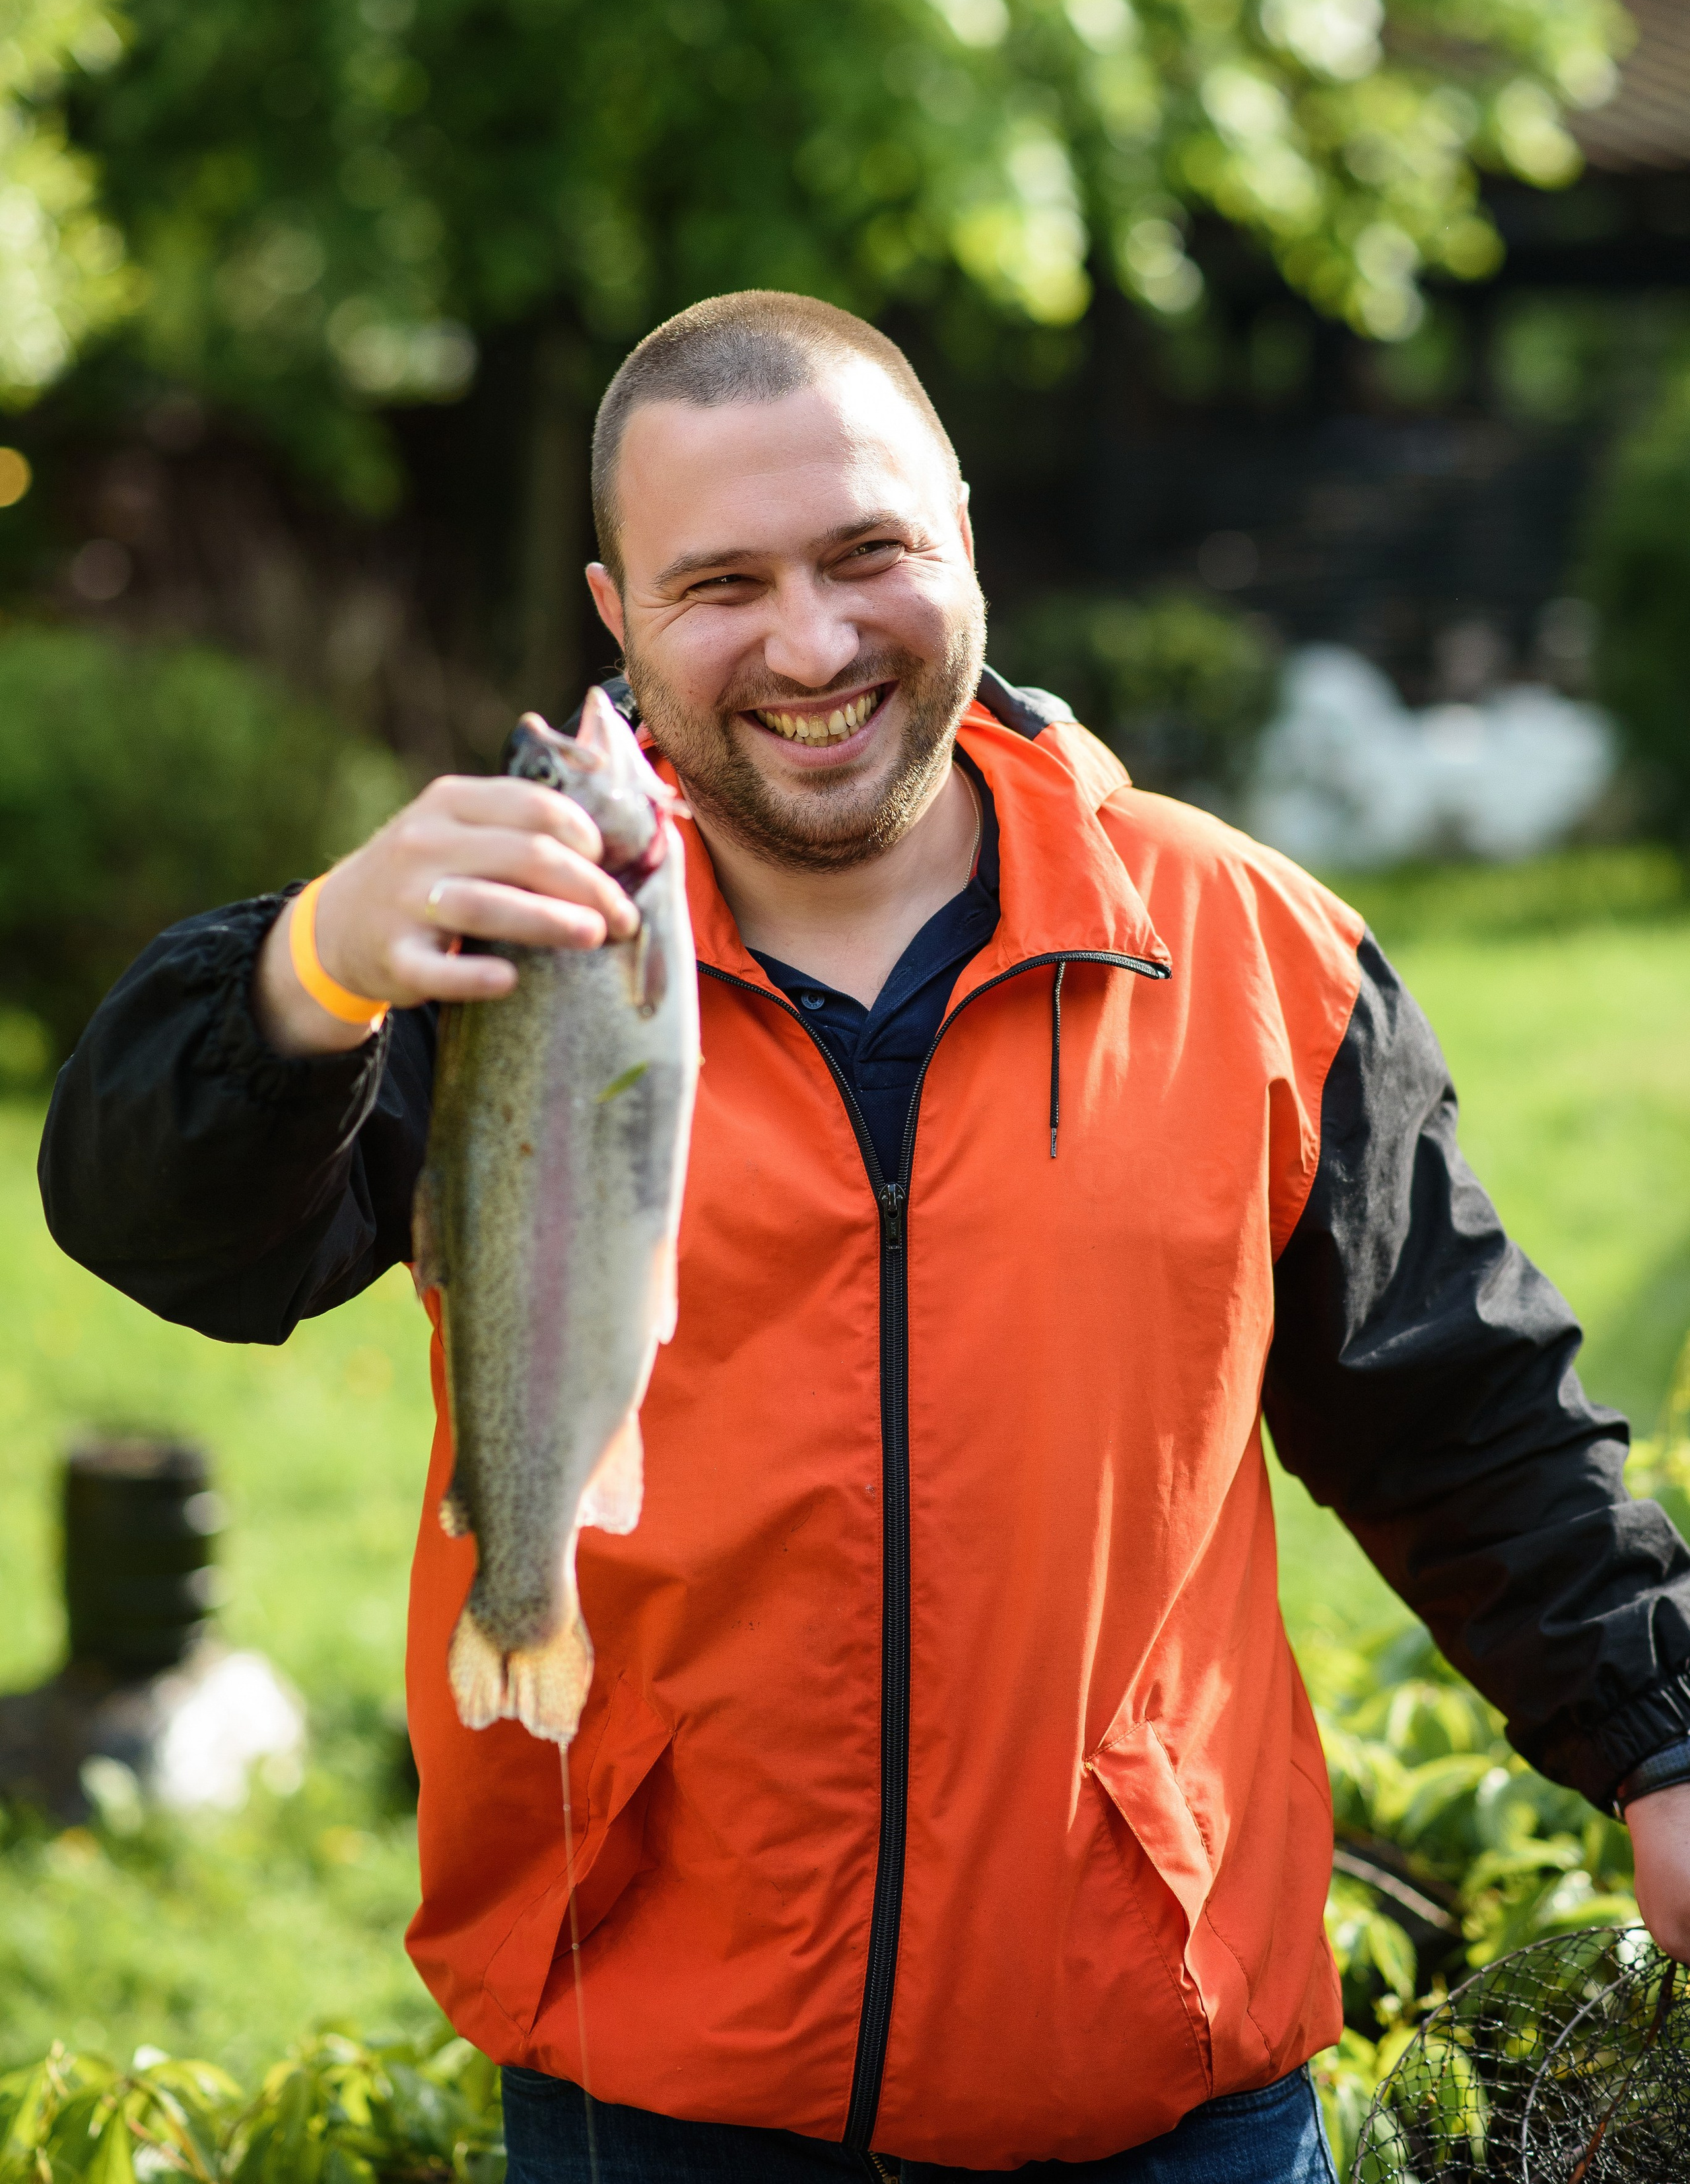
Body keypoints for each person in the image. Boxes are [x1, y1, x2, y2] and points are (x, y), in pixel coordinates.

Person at [40, 290, 1690, 2184]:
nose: (811, 642)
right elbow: (150, 1221)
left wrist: (1662, 1736)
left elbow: (1460, 1407)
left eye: (868, 553)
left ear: (965, 534)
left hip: (1167, 2100)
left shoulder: (1249, 946)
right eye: (719, 582)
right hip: (661, 2095)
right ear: (617, 612)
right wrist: (305, 958)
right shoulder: (506, 951)